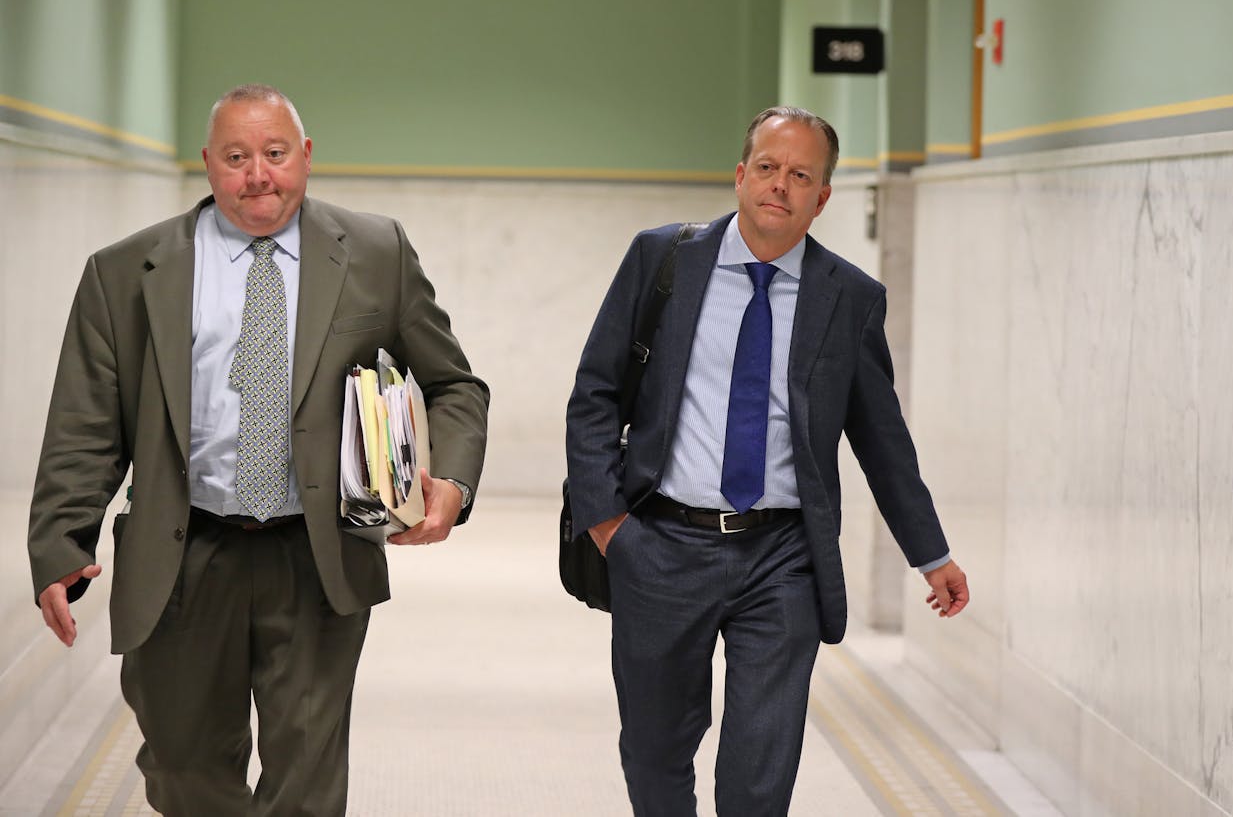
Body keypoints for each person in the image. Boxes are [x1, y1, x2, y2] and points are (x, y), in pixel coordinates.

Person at [26, 84, 489, 816]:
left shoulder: (376, 252)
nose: (258, 175)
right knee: (183, 769)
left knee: (305, 779)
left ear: (304, 157)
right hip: (184, 555)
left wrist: (452, 482)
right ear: (207, 164)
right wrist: (59, 540)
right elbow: (84, 423)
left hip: (316, 554)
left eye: (274, 154)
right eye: (236, 158)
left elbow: (455, 385)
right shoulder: (126, 272)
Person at [565, 106, 970, 815]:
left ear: (823, 197)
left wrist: (929, 551)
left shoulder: (849, 298)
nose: (779, 185)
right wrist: (608, 525)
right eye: (767, 167)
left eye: (800, 175)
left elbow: (881, 437)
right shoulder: (661, 261)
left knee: (761, 773)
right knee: (656, 748)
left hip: (782, 558)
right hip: (660, 545)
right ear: (740, 175)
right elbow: (595, 392)